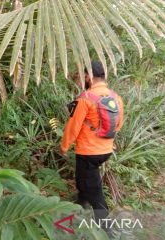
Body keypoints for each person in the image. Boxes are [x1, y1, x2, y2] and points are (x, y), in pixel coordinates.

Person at [60, 61, 124, 233]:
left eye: (85, 75)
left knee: (95, 191)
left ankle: (107, 230)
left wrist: (65, 146)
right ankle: (81, 201)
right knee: (83, 178)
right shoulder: (115, 97)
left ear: (88, 76)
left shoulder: (85, 99)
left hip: (88, 152)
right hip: (106, 149)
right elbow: (118, 124)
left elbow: (73, 126)